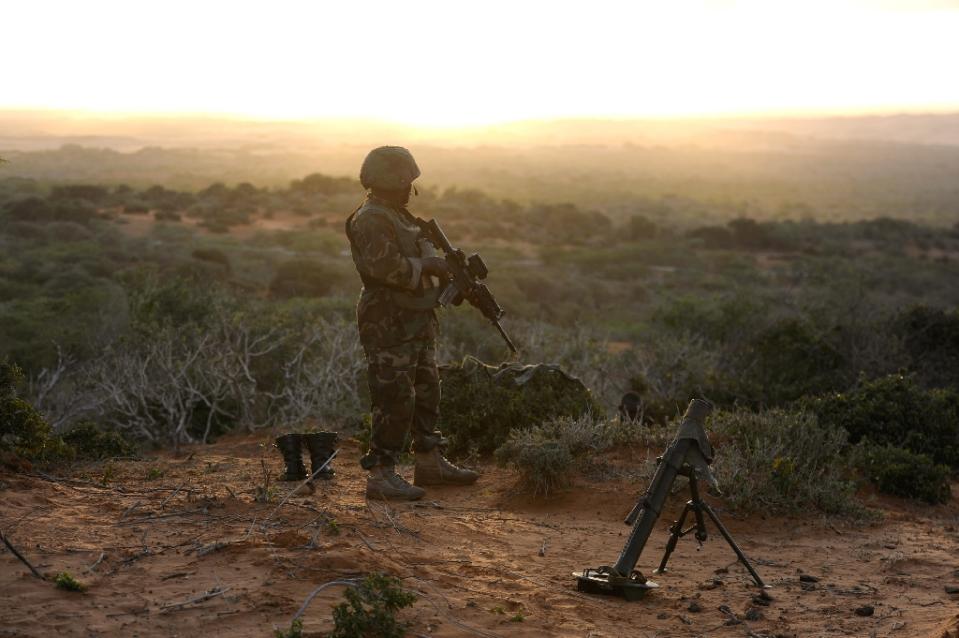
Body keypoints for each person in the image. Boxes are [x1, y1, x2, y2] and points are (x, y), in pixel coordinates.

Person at [345, 146, 478, 500]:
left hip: (415, 316)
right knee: (394, 396)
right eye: (406, 181)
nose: (411, 189)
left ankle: (429, 461)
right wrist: (428, 267)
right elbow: (387, 269)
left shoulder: (399, 216)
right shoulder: (372, 218)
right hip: (386, 320)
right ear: (390, 181)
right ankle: (381, 474)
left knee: (427, 388)